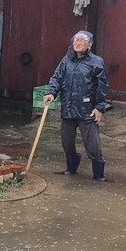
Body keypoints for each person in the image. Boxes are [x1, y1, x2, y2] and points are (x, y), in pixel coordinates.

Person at [43, 30, 111, 181]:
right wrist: (51, 93)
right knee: (67, 142)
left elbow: (102, 85)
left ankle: (99, 176)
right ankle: (71, 169)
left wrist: (100, 108)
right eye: (75, 40)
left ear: (89, 45)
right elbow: (57, 78)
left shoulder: (96, 62)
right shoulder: (66, 60)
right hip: (68, 108)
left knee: (93, 145)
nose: (77, 43)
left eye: (81, 40)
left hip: (87, 110)